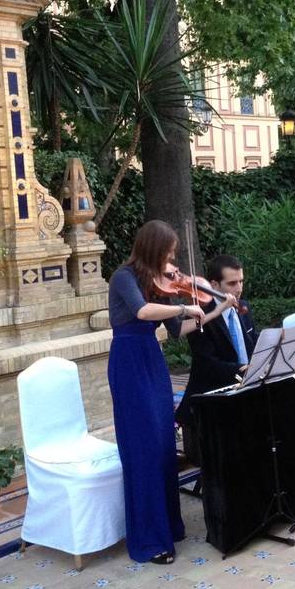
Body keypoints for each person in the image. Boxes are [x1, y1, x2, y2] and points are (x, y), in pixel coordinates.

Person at [106, 220, 237, 565]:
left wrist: (217, 308)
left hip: (152, 359)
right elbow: (141, 311)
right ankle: (149, 540)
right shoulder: (124, 278)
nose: (173, 259)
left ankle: (169, 527)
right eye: (169, 252)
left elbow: (179, 330)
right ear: (153, 249)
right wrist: (183, 306)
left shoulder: (157, 283)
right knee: (144, 449)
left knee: (164, 445)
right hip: (129, 362)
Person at [176, 254, 257, 466]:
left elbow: (252, 343)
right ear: (213, 285)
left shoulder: (243, 308)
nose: (238, 288)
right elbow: (207, 365)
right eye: (232, 283)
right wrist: (242, 368)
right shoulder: (199, 316)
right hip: (211, 401)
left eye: (241, 281)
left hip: (242, 392)